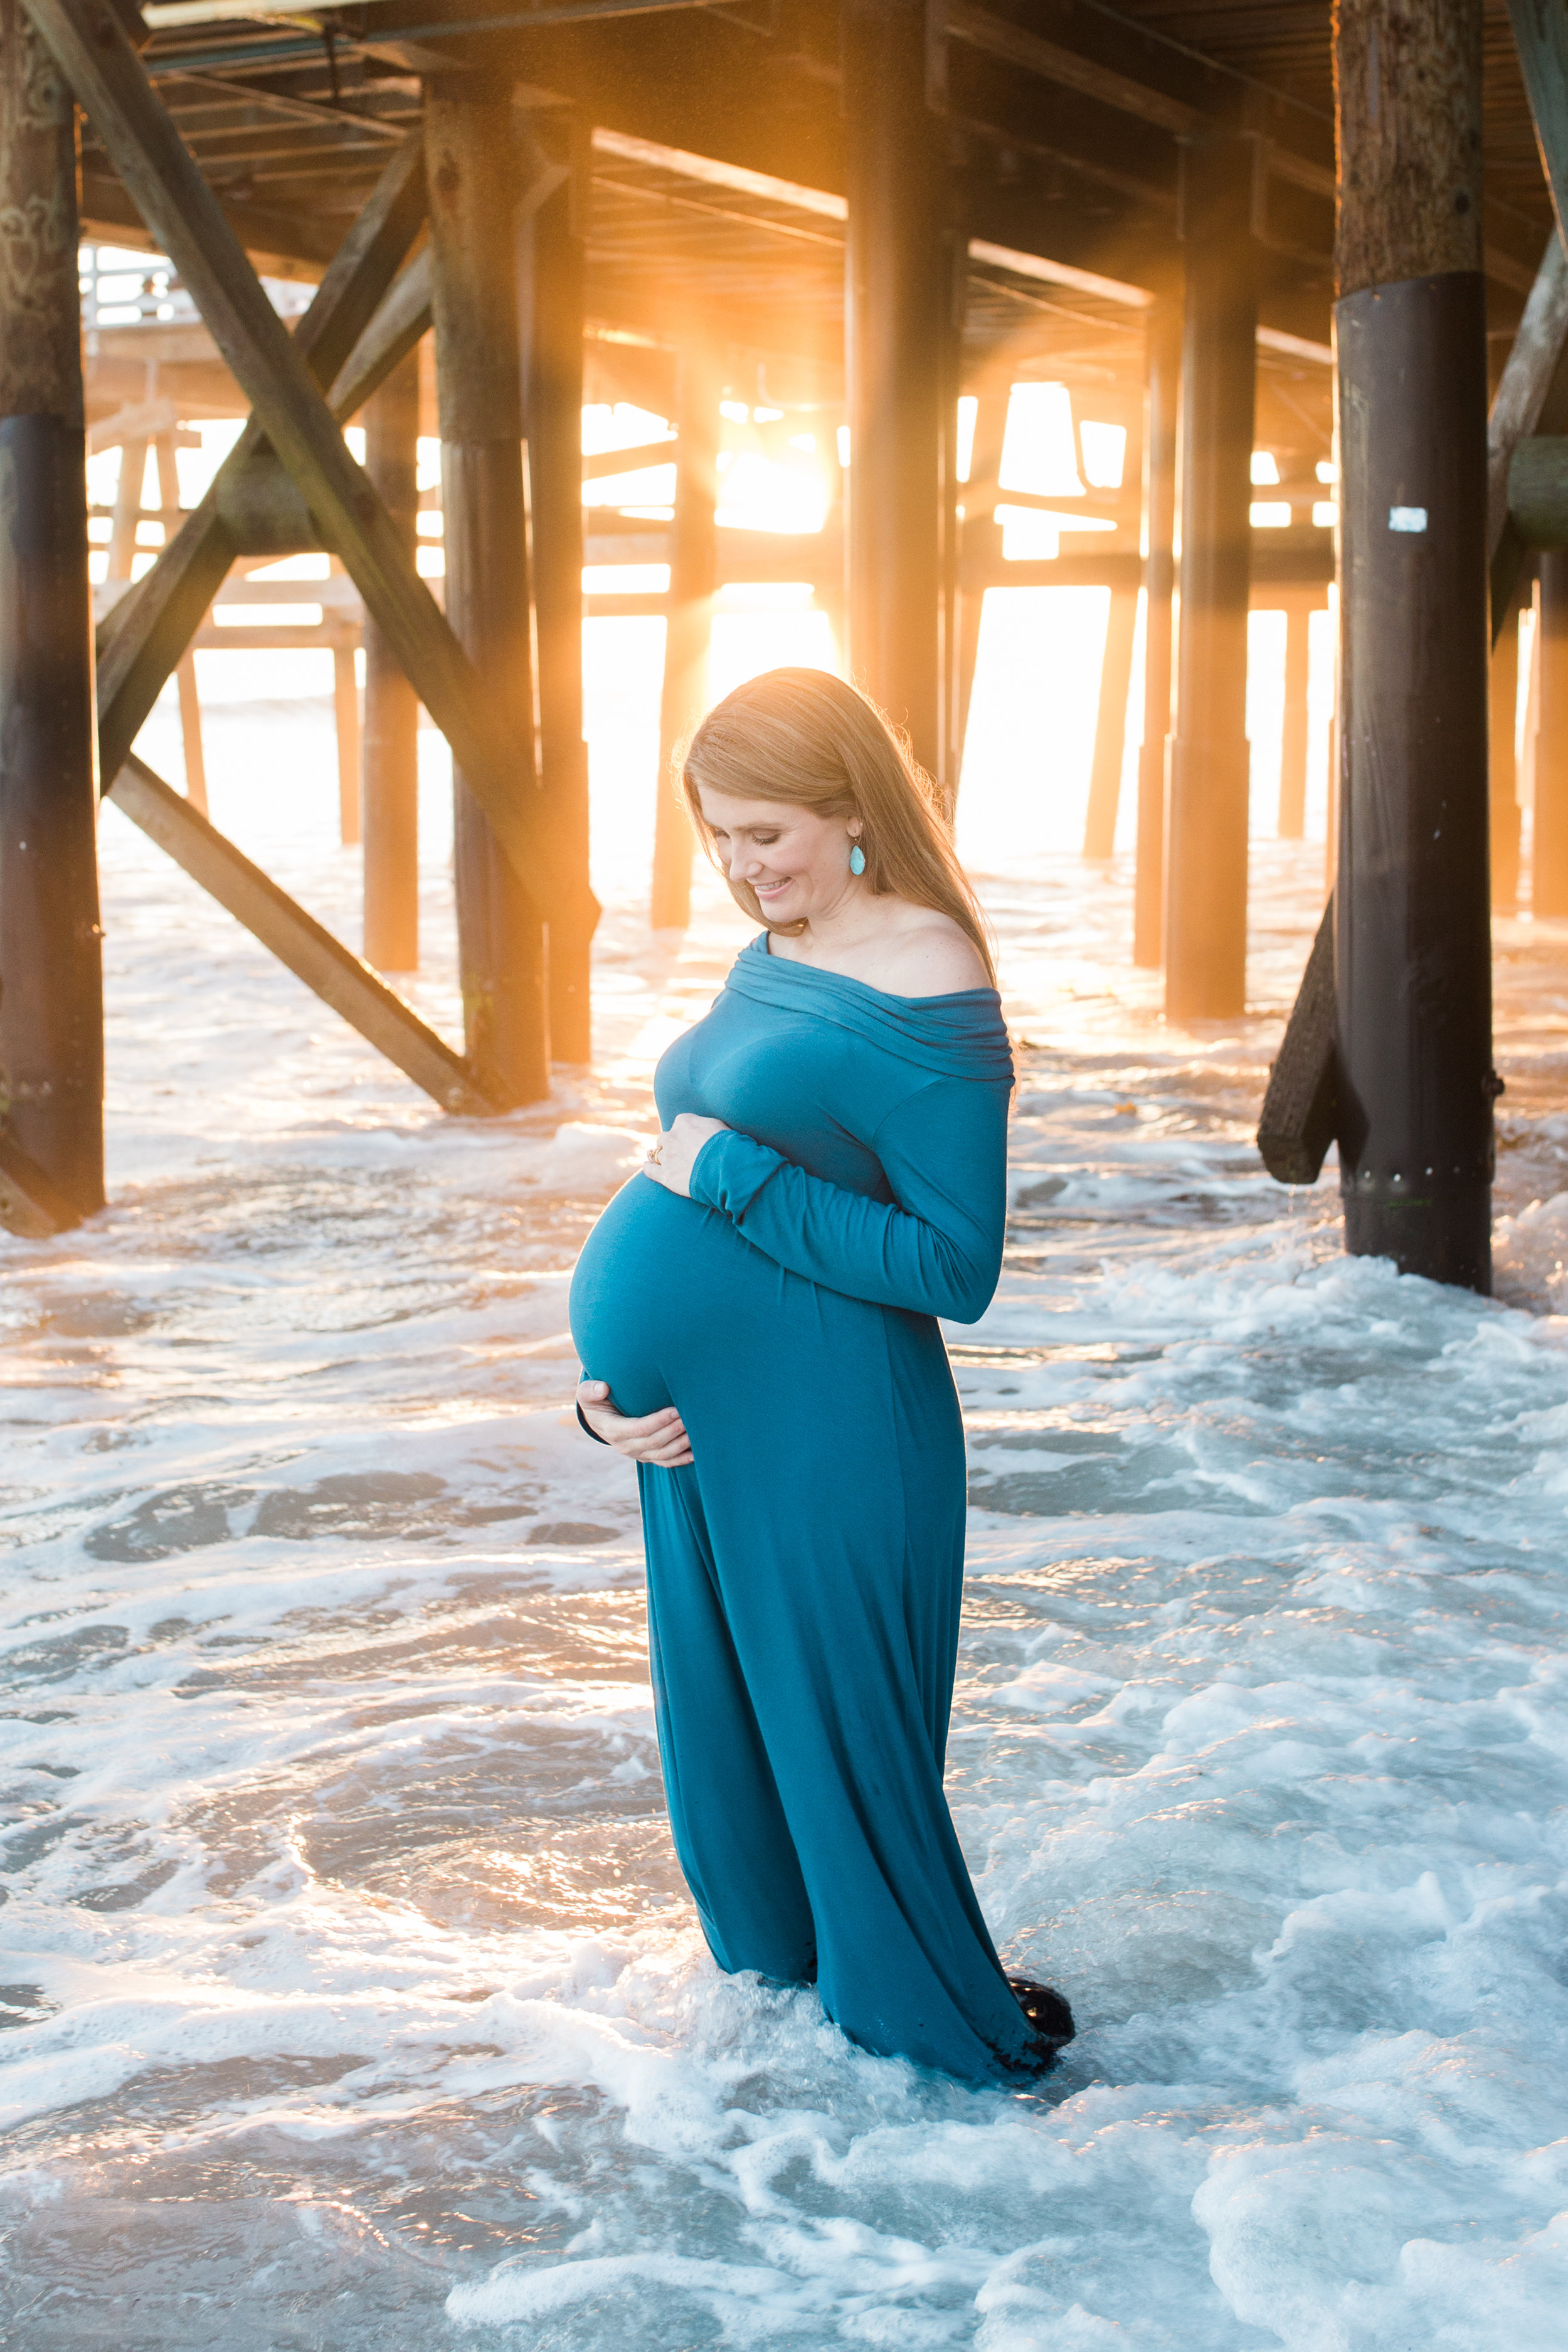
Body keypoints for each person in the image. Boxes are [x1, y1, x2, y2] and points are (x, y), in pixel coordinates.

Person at [569, 667, 1073, 2080]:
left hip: (837, 1434)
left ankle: (942, 2117)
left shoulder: (931, 976)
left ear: (850, 813)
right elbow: (687, 1171)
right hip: (703, 1437)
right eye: (716, 837)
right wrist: (601, 1387)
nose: (742, 868)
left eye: (767, 835)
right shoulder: (772, 953)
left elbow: (949, 1268)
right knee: (733, 1782)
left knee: (843, 1778)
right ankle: (800, 2120)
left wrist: (729, 1177)